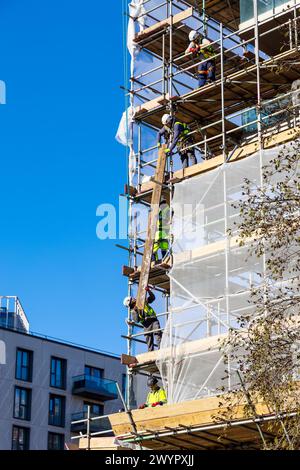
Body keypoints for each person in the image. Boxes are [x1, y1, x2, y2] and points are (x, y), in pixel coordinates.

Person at [123, 287, 162, 352]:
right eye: (132, 299)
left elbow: (152, 298)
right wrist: (135, 310)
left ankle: (161, 349)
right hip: (146, 324)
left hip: (153, 319)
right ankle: (150, 352)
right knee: (148, 338)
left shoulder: (142, 301)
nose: (134, 298)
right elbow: (136, 320)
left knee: (157, 333)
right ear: (130, 303)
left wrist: (149, 291)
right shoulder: (133, 311)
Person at [152, 198, 170, 263]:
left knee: (155, 249)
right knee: (163, 248)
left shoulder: (165, 210)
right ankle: (164, 260)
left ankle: (154, 262)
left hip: (161, 232)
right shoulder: (163, 211)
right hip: (163, 232)